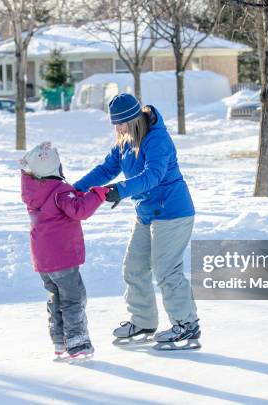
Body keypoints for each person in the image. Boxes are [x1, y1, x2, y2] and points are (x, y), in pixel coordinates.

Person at [73, 93, 201, 350]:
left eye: (120, 124)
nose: (117, 129)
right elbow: (106, 169)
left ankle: (187, 325)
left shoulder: (157, 138)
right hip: (146, 213)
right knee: (134, 268)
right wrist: (75, 189)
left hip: (173, 211)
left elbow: (152, 175)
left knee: (166, 270)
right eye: (114, 125)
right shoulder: (124, 141)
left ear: (133, 119)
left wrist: (121, 190)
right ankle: (143, 321)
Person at [21, 142, 109, 360]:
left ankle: (59, 341)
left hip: (43, 259)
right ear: (55, 169)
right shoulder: (60, 191)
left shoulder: (33, 190)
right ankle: (77, 343)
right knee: (73, 299)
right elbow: (79, 210)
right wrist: (98, 194)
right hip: (62, 257)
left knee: (56, 298)